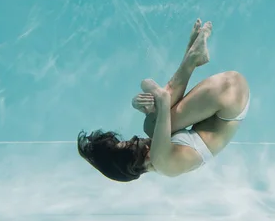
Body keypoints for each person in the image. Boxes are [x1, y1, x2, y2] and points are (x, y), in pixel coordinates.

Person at [77, 19, 250, 182]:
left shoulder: (160, 159)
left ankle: (192, 56)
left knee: (153, 122)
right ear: (128, 161)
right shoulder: (160, 159)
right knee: (153, 122)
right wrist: (144, 97)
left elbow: (163, 101)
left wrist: (152, 107)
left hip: (230, 95)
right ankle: (192, 57)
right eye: (130, 144)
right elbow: (162, 95)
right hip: (230, 91)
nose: (135, 140)